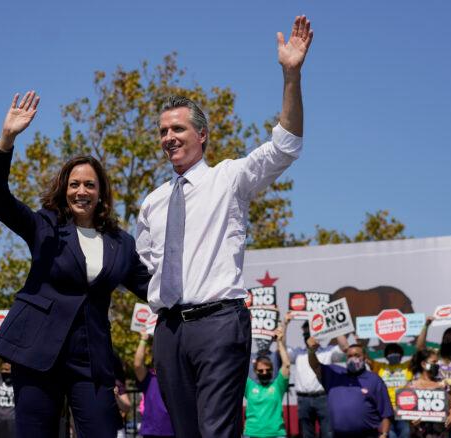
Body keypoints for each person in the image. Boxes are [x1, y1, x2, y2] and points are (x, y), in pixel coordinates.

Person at [136, 15, 313, 438]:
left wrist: (291, 75)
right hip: (168, 330)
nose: (168, 137)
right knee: (186, 432)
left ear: (203, 136)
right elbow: (147, 265)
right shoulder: (152, 203)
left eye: (178, 128)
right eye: (162, 131)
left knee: (217, 431)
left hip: (218, 324)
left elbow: (285, 146)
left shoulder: (229, 178)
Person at [0, 91, 151, 438]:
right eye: (74, 184)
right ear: (64, 190)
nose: (81, 191)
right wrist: (7, 140)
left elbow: (153, 288)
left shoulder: (121, 244)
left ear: (101, 193)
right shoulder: (45, 226)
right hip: (36, 350)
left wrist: (207, 295)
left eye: (89, 185)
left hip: (90, 359)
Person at [307, 338, 393, 438]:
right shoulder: (335, 375)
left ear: (365, 357)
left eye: (357, 355)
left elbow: (386, 413)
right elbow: (315, 366)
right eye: (350, 356)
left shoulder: (374, 380)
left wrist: (384, 434)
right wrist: (311, 351)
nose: (353, 358)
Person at [286, 315, 347, 438]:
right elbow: (282, 349)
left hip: (323, 398)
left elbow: (345, 347)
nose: (308, 337)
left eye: (310, 333)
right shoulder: (298, 353)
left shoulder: (328, 351)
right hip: (303, 400)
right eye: (305, 334)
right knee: (306, 435)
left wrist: (335, 325)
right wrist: (285, 324)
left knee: (328, 434)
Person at [244, 323, 291, 438]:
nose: (264, 372)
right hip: (252, 433)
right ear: (255, 371)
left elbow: (287, 365)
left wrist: (279, 341)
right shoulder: (249, 385)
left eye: (267, 369)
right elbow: (237, 366)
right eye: (261, 370)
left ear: (272, 369)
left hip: (277, 434)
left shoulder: (278, 385)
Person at [133, 329, 175, 438]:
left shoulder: (177, 375)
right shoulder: (149, 378)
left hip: (175, 430)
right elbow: (137, 365)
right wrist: (143, 340)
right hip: (152, 431)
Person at [407, 349, 451, 438]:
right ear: (423, 364)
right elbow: (406, 411)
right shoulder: (411, 386)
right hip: (420, 434)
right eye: (434, 362)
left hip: (441, 434)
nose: (437, 365)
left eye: (437, 362)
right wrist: (411, 420)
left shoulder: (443, 385)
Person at [367, 343, 413, 438]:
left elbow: (419, 350)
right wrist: (360, 343)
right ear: (386, 356)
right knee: (390, 435)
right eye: (390, 352)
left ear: (401, 355)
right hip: (386, 410)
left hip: (403, 409)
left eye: (396, 352)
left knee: (406, 433)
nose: (393, 354)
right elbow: (366, 357)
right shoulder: (379, 367)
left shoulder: (407, 366)